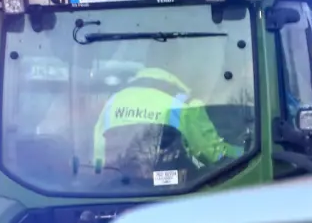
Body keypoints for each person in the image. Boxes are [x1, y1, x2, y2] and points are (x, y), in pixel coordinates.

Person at [91, 66, 241, 175]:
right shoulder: (184, 104)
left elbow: (98, 157)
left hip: (118, 190)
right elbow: (213, 154)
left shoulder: (113, 101)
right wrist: (244, 151)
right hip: (165, 192)